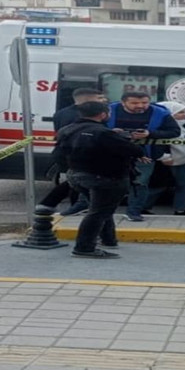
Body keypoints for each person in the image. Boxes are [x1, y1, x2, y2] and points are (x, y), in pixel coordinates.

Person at [57, 101, 146, 259]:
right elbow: (134, 150)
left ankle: (108, 239)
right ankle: (84, 248)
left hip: (76, 175)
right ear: (103, 115)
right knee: (98, 212)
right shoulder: (103, 133)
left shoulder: (67, 129)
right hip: (105, 177)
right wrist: (122, 137)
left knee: (102, 208)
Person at [106, 92, 181, 222]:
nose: (140, 106)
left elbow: (174, 131)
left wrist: (150, 133)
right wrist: (111, 133)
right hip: (112, 153)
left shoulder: (160, 113)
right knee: (107, 183)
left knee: (140, 183)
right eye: (134, 103)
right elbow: (94, 126)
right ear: (123, 102)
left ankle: (134, 212)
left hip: (145, 155)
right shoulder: (108, 110)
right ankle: (102, 211)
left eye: (145, 103)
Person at [38, 88, 107, 215]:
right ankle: (52, 204)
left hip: (64, 151)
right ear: (88, 100)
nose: (104, 100)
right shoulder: (80, 115)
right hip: (75, 153)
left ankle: (53, 204)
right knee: (77, 180)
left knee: (75, 180)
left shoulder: (62, 112)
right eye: (99, 98)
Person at [148, 101, 185, 216]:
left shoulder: (184, 125)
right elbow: (157, 143)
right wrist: (164, 157)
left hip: (182, 161)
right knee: (157, 187)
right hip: (166, 162)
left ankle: (182, 209)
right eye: (180, 112)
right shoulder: (164, 126)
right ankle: (141, 208)